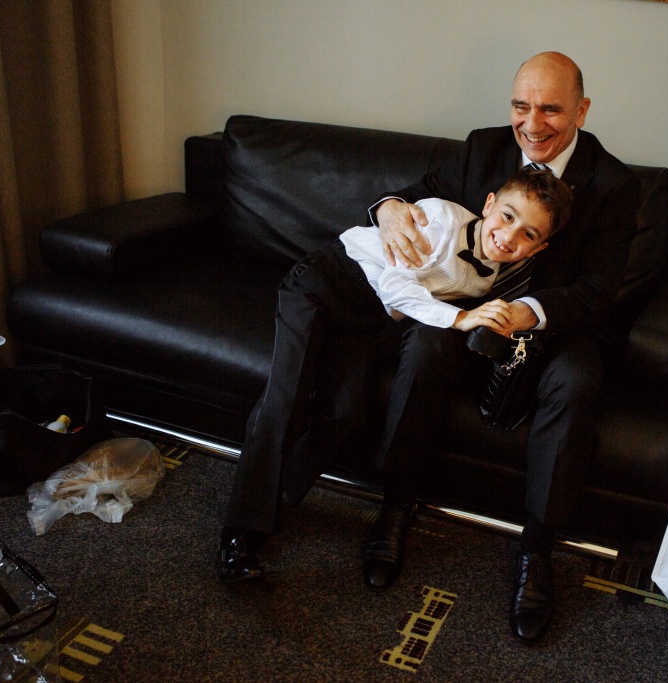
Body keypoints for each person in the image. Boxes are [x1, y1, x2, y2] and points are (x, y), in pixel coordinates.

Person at [363, 51, 645, 644]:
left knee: (577, 384)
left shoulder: (616, 184)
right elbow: (415, 196)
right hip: (472, 308)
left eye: (551, 110)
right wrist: (388, 211)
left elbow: (597, 292)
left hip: (557, 323)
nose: (532, 124)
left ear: (582, 111)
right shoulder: (483, 147)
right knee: (424, 345)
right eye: (521, 106)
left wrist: (528, 312)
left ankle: (538, 549)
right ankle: (396, 504)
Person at [217, 167, 573, 584]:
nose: (509, 236)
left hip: (364, 321)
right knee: (287, 397)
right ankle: (242, 533)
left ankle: (276, 496)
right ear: (489, 203)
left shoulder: (490, 277)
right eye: (508, 216)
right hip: (325, 284)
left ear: (538, 248)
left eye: (528, 234)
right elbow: (396, 287)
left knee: (343, 413)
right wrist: (462, 317)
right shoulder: (439, 219)